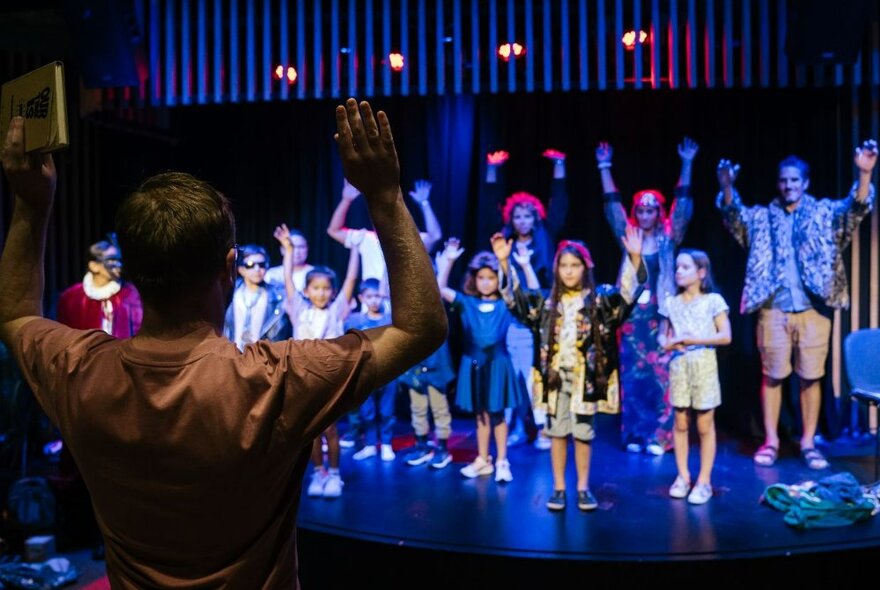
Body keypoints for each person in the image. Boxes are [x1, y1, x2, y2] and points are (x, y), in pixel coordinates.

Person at [0, 101, 446, 587]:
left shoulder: (78, 370)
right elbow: (420, 328)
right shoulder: (277, 380)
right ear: (229, 268)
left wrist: (30, 203)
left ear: (131, 272)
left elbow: (16, 314)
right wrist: (384, 196)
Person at [716, 139, 877, 470]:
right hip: (773, 309)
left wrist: (864, 173)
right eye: (783, 180)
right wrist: (728, 187)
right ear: (779, 183)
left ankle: (808, 442)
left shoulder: (823, 213)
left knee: (810, 378)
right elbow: (735, 217)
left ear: (805, 183)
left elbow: (855, 208)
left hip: (813, 310)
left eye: (794, 180)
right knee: (772, 377)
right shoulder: (763, 218)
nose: (788, 185)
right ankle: (771, 440)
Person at [498, 227, 646, 512]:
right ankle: (559, 487)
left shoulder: (599, 301)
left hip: (585, 379)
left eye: (574, 265)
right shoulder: (546, 303)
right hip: (554, 378)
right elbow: (516, 300)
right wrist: (505, 262)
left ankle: (582, 487)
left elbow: (627, 296)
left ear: (585, 267)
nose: (568, 271)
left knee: (583, 433)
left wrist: (635, 257)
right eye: (563, 265)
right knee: (556, 432)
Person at [595, 137, 698, 455]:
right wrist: (604, 166)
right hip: (633, 317)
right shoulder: (630, 236)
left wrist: (687, 163)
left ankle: (660, 437)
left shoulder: (669, 237)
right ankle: (635, 435)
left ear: (659, 213)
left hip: (662, 314)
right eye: (640, 209)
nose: (644, 214)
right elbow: (612, 207)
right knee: (632, 374)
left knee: (662, 374)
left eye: (651, 210)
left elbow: (683, 205)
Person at [486, 148, 570, 449]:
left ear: (536, 217)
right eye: (517, 216)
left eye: (528, 215)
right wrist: (492, 170)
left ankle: (546, 426)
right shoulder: (505, 241)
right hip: (514, 311)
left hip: (544, 306)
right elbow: (488, 206)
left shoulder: (545, 237)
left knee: (542, 367)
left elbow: (559, 205)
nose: (522, 221)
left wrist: (559, 167)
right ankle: (520, 425)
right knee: (517, 370)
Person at [277, 225, 360, 498]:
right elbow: (288, 279)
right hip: (304, 377)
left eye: (326, 289)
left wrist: (355, 251)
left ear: (332, 292)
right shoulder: (299, 310)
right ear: (308, 290)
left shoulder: (337, 311)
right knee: (310, 431)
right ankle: (318, 473)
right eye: (316, 288)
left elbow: (350, 280)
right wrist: (289, 251)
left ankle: (335, 473)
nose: (321, 293)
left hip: (330, 377)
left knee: (330, 429)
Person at [436, 240, 527, 483]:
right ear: (474, 279)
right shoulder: (467, 303)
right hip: (473, 364)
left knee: (497, 414)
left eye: (491, 277)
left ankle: (502, 461)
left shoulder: (504, 304)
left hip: (498, 365)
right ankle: (483, 459)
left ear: (498, 280)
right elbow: (439, 288)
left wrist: (505, 262)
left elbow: (517, 292)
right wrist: (450, 260)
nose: (486, 282)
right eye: (481, 278)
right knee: (481, 415)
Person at [659, 250, 731, 505]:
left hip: (704, 368)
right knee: (679, 422)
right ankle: (682, 475)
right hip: (679, 367)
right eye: (677, 267)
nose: (679, 271)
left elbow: (725, 336)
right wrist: (668, 344)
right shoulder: (672, 304)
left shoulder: (713, 301)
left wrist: (693, 339)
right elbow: (662, 335)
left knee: (704, 425)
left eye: (685, 267)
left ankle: (704, 481)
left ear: (701, 273)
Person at [327, 178, 442, 281]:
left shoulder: (409, 240)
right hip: (372, 299)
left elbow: (435, 236)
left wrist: (425, 204)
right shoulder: (366, 238)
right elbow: (334, 231)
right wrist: (346, 201)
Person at [343, 278, 397, 462]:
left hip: (388, 373)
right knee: (367, 411)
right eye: (369, 296)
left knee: (387, 411)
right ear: (361, 298)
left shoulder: (390, 320)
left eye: (377, 296)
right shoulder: (355, 320)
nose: (374, 300)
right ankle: (370, 445)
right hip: (366, 374)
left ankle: (387, 444)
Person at [56, 237, 142, 338]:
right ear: (94, 266)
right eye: (111, 259)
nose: (118, 264)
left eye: (119, 260)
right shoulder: (71, 297)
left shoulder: (130, 294)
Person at [223, 244, 291, 350]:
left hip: (263, 359)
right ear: (241, 269)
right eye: (250, 265)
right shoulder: (228, 293)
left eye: (261, 264)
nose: (257, 269)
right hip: (233, 356)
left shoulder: (278, 297)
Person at [264, 228, 313, 292]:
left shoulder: (315, 273)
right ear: (282, 250)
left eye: (301, 247)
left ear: (307, 249)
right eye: (292, 247)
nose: (296, 251)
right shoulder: (271, 274)